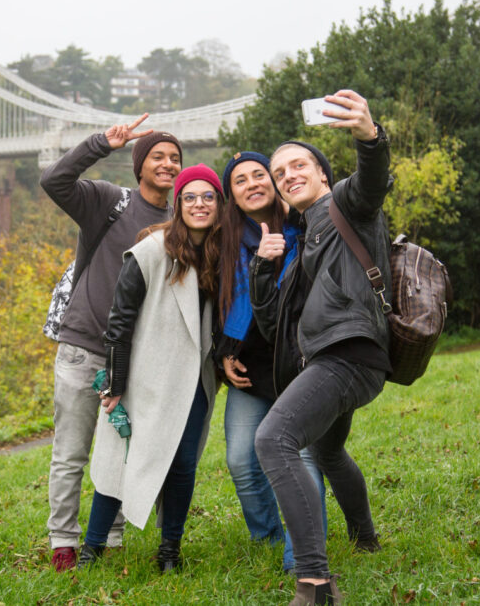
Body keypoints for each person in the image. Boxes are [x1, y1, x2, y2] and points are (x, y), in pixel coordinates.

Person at [250, 90, 392, 605]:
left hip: (348, 355)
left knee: (272, 441)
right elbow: (273, 326)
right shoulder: (305, 235)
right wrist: (263, 269)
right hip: (340, 357)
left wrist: (369, 137)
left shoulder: (343, 206)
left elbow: (373, 182)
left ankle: (314, 582)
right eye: (278, 171)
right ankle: (365, 538)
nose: (287, 174)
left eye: (298, 164)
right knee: (326, 450)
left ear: (324, 174)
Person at [39, 113, 183, 572]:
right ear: (139, 165)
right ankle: (63, 540)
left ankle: (112, 535)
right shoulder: (107, 201)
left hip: (137, 357)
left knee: (122, 447)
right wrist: (102, 142)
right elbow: (54, 180)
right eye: (157, 156)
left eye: (175, 158)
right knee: (72, 451)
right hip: (85, 347)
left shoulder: (183, 221)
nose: (167, 164)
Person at [77, 164, 224, 573]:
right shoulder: (151, 250)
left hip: (194, 381)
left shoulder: (219, 253)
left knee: (182, 466)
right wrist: (117, 383)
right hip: (143, 377)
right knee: (121, 459)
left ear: (219, 204)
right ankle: (92, 550)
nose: (199, 204)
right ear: (178, 204)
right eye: (190, 197)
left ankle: (169, 552)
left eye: (208, 196)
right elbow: (119, 321)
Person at [216, 151, 328, 573]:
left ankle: (301, 557)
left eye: (259, 175)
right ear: (232, 194)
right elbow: (222, 304)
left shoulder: (303, 224)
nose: (252, 184)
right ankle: (268, 537)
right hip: (250, 369)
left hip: (298, 363)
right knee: (241, 460)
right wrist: (224, 351)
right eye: (240, 180)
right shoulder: (224, 239)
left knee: (297, 457)